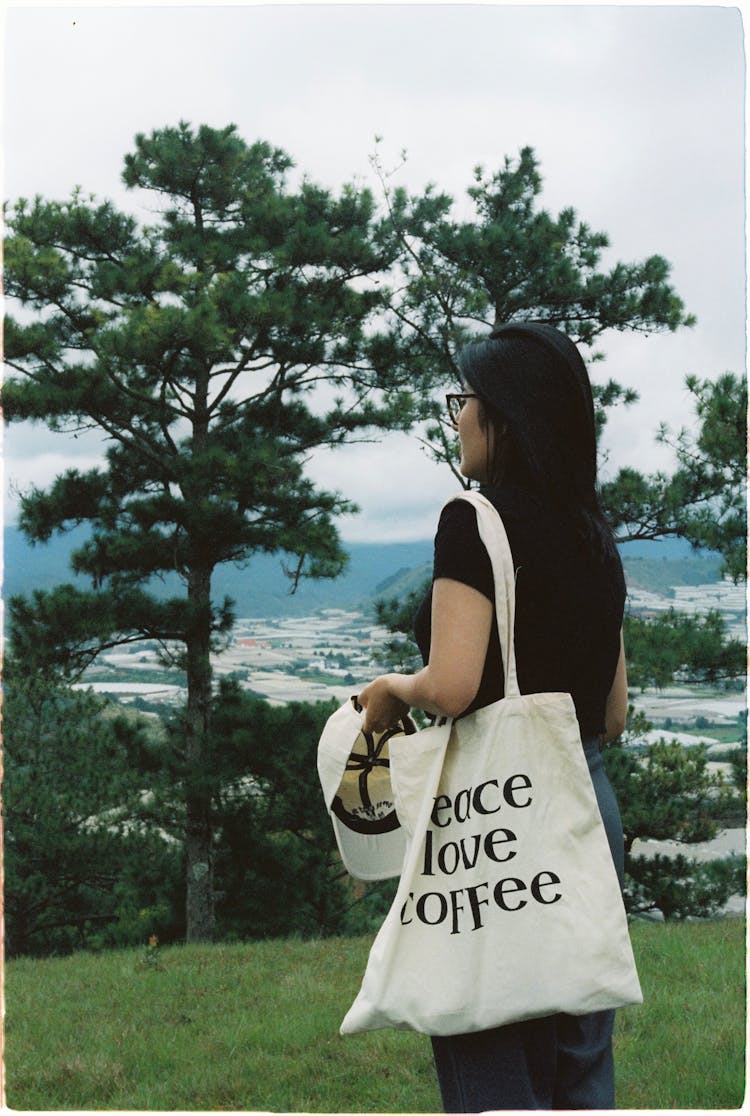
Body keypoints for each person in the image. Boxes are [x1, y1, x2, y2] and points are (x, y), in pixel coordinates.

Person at [358, 320, 628, 1111]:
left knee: (488, 1048)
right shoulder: (595, 534)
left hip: (499, 814)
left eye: (464, 399)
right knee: (579, 1057)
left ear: (503, 413)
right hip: (587, 802)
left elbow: (450, 686)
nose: (457, 417)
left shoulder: (472, 519)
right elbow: (610, 713)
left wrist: (390, 691)